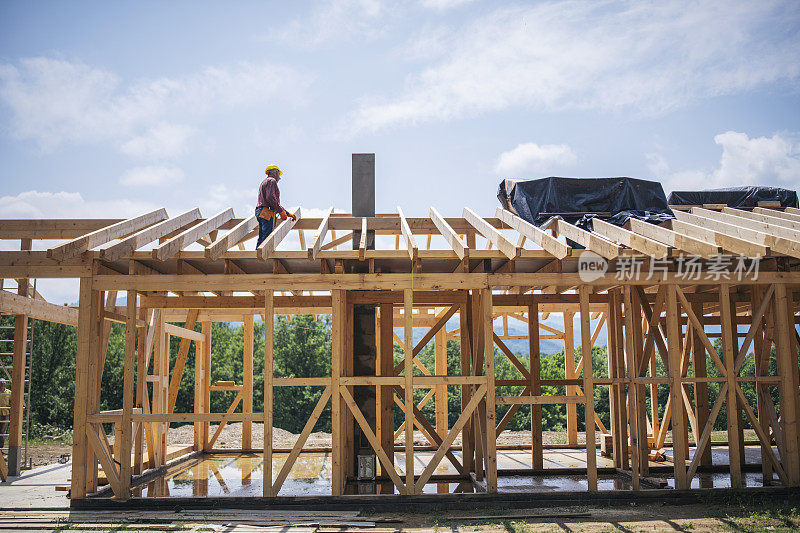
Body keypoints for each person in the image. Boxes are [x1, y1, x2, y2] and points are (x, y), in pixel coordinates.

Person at [256, 164, 296, 248]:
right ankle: (263, 258)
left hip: (260, 212)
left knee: (262, 237)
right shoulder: (272, 181)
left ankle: (257, 256)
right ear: (275, 173)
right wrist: (281, 212)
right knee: (267, 238)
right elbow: (271, 198)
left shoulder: (264, 182)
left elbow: (274, 202)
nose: (278, 179)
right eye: (279, 176)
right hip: (267, 212)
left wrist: (287, 213)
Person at [0, 379, 9, 450]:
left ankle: (1, 448)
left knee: (2, 432)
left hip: (5, 414)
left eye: (4, 383)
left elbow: (14, 400)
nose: (2, 384)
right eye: (1, 383)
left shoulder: (8, 392)